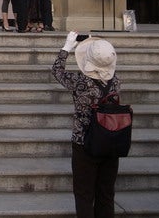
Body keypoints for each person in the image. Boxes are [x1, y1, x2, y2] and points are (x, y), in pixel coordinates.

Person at [52, 32, 121, 218]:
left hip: (84, 142)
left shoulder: (80, 81)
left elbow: (57, 71)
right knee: (106, 194)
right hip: (110, 141)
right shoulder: (115, 81)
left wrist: (67, 47)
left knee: (84, 194)